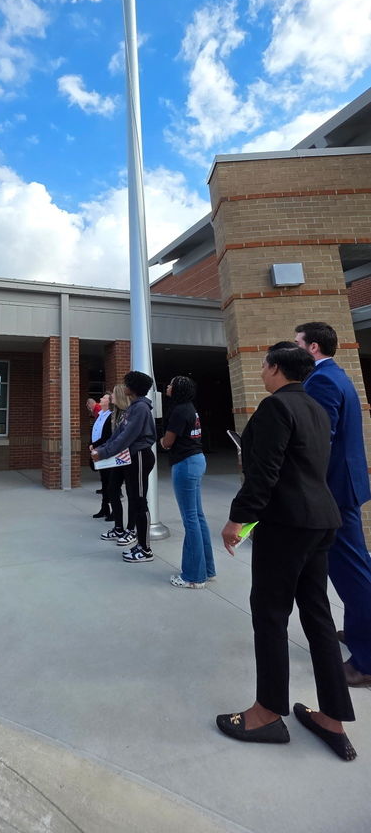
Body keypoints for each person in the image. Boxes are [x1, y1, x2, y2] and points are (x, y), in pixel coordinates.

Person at [218, 343, 356, 761]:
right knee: (317, 616)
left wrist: (238, 519)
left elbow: (265, 472)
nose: (261, 371)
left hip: (287, 526)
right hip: (321, 521)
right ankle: (333, 717)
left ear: (276, 368)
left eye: (264, 365)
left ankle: (266, 713)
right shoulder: (315, 408)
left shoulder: (275, 407)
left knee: (270, 614)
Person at [294, 321, 371, 688]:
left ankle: (366, 662)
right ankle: (357, 631)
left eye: (297, 343)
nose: (294, 348)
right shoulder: (336, 375)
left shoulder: (322, 381)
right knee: (353, 567)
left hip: (334, 492)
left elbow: (319, 441)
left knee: (352, 572)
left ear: (313, 348)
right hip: (343, 486)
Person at [91, 371, 156, 562]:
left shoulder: (141, 408)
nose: (124, 386)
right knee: (134, 499)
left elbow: (127, 437)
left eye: (127, 383)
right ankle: (139, 544)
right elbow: (118, 435)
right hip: (132, 458)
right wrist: (101, 449)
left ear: (133, 387)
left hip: (140, 456)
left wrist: (103, 452)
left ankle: (145, 549)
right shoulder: (133, 407)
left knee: (139, 501)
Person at [160, 376, 216, 589]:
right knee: (198, 517)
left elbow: (168, 442)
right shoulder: (190, 408)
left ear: (178, 389)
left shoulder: (178, 411)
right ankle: (206, 570)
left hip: (185, 464)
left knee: (190, 519)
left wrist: (160, 441)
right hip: (197, 460)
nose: (168, 386)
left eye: (171, 384)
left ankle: (193, 576)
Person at [100, 384, 135, 544]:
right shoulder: (116, 413)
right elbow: (114, 437)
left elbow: (124, 438)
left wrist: (104, 451)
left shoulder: (130, 413)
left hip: (130, 458)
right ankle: (118, 527)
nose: (111, 396)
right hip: (118, 458)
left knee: (132, 494)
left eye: (113, 394)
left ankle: (131, 529)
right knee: (112, 489)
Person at [89, 393, 113, 520]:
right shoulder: (100, 415)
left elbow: (107, 436)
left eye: (104, 398)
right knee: (104, 480)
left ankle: (114, 510)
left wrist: (95, 445)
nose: (100, 399)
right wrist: (91, 444)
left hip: (105, 451)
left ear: (109, 402)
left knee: (110, 481)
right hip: (97, 450)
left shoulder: (110, 416)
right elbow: (95, 431)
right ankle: (104, 508)